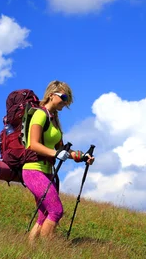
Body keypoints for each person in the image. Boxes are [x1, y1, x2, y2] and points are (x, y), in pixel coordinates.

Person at [23, 80, 94, 243]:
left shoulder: (53, 120)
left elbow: (62, 150)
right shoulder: (39, 114)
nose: (66, 101)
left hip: (48, 172)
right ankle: (48, 252)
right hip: (34, 170)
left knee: (44, 215)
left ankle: (30, 249)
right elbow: (32, 144)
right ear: (51, 95)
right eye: (63, 96)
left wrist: (81, 156)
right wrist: (55, 154)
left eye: (68, 98)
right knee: (56, 210)